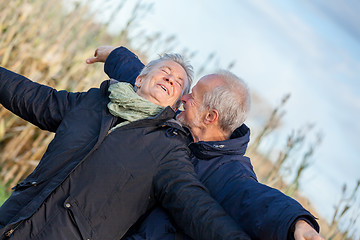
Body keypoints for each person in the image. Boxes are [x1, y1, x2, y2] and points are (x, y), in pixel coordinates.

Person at [0, 52, 251, 240]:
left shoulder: (169, 151)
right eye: (165, 71)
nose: (170, 79)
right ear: (140, 79)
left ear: (175, 106)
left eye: (179, 82)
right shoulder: (93, 102)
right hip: (12, 220)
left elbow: (195, 205)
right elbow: (34, 97)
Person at [87, 46, 324, 240]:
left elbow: (254, 198)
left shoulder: (229, 172)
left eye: (193, 96)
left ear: (210, 117)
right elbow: (153, 84)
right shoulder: (179, 123)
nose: (183, 97)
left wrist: (296, 223)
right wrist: (116, 56)